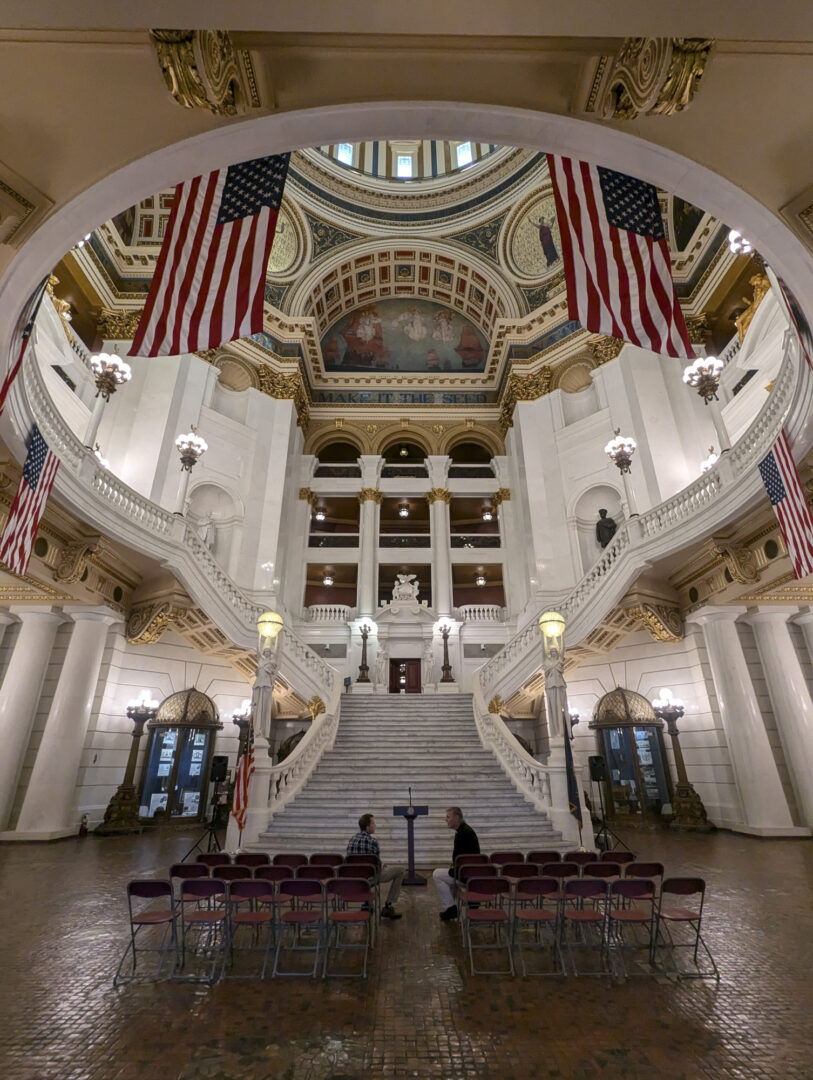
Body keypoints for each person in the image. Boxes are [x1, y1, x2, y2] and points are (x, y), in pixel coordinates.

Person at [346, 813, 405, 919]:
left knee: (363, 870)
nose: (375, 825)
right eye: (373, 823)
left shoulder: (351, 840)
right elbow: (376, 865)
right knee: (400, 870)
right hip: (371, 878)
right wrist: (382, 867)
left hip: (356, 879)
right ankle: (388, 906)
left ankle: (367, 904)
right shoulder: (372, 841)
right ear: (367, 827)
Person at [432, 806, 480, 921]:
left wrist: (453, 869)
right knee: (446, 875)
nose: (446, 820)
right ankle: (468, 902)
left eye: (448, 817)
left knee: (437, 874)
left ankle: (451, 909)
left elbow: (461, 860)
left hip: (466, 875)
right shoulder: (465, 830)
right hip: (471, 873)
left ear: (457, 818)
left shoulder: (463, 833)